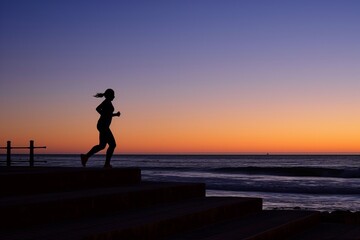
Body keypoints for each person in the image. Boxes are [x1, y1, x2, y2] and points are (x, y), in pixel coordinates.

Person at [81, 88, 120, 168]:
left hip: (103, 126)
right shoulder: (106, 102)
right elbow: (98, 109)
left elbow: (108, 114)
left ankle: (85, 156)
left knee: (102, 145)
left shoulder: (108, 102)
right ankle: (106, 164)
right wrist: (103, 115)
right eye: (113, 95)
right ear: (109, 95)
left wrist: (115, 115)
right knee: (112, 144)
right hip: (103, 126)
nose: (114, 97)